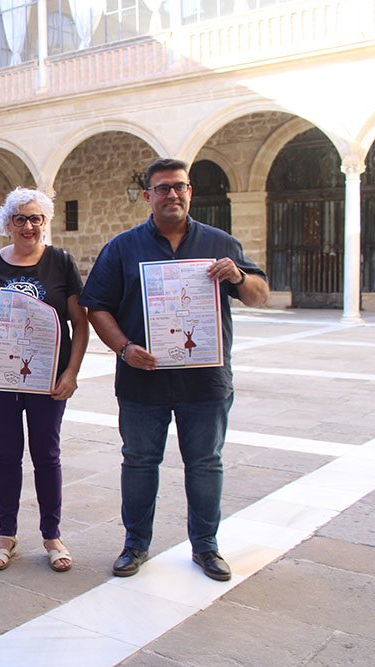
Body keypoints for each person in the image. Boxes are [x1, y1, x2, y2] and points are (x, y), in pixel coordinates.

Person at [80, 158, 269, 582]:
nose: (172, 194)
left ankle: (206, 546)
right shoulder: (122, 248)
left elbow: (259, 294)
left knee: (205, 463)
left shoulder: (219, 242)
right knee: (139, 462)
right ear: (148, 196)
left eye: (179, 186)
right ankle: (135, 544)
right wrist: (125, 348)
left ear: (190, 192)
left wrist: (238, 276)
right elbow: (97, 307)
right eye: (162, 188)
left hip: (205, 381)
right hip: (141, 379)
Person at [0, 188, 89, 573]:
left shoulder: (60, 262)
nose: (29, 226)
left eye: (36, 219)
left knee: (47, 454)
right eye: (20, 219)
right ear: (8, 224)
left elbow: (80, 324)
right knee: (6, 453)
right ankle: (6, 535)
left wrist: (71, 373)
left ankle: (52, 536)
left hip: (47, 376)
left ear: (45, 222)